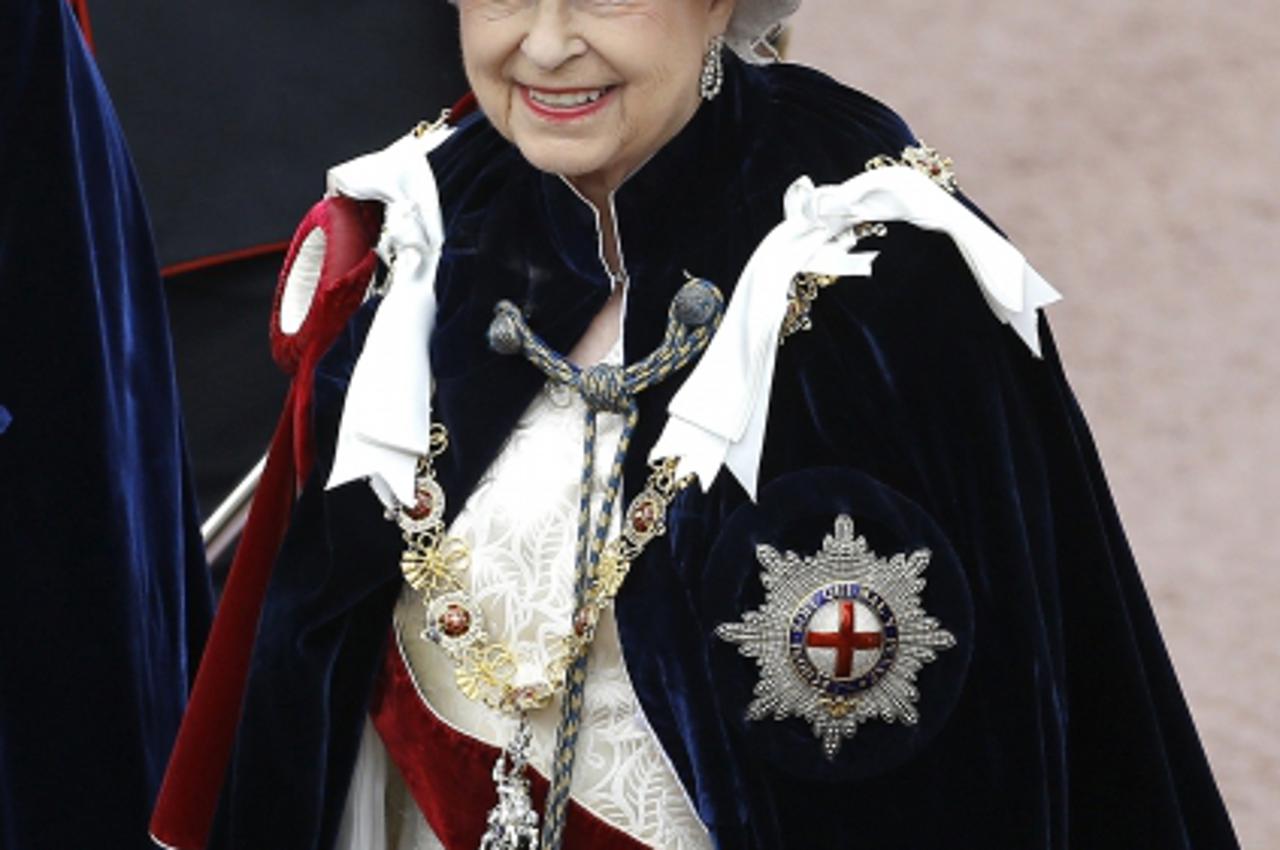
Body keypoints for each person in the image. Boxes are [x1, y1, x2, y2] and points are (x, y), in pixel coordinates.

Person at [155, 1, 1240, 848]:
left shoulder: (881, 291)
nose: (543, 45)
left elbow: (971, 778)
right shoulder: (428, 241)